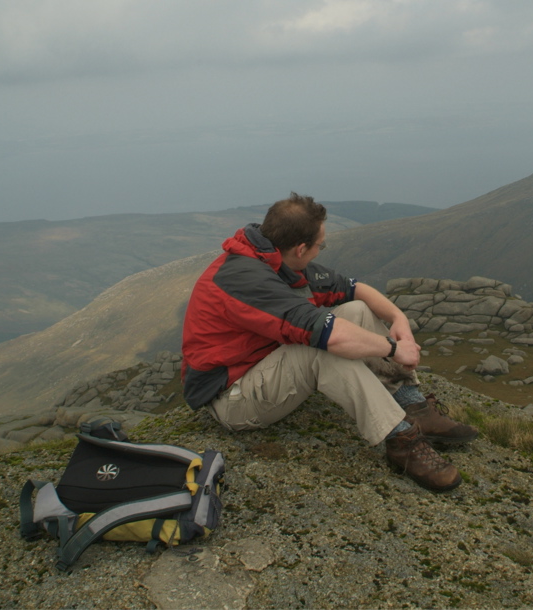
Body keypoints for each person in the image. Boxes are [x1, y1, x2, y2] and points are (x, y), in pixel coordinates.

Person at [181, 193, 478, 491]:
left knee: (357, 311)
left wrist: (398, 318)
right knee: (323, 350)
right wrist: (394, 349)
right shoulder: (248, 279)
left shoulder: (274, 258)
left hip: (264, 367)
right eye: (319, 245)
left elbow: (353, 290)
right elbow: (327, 336)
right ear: (300, 249)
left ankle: (412, 405)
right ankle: (401, 440)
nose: (320, 251)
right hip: (232, 398)